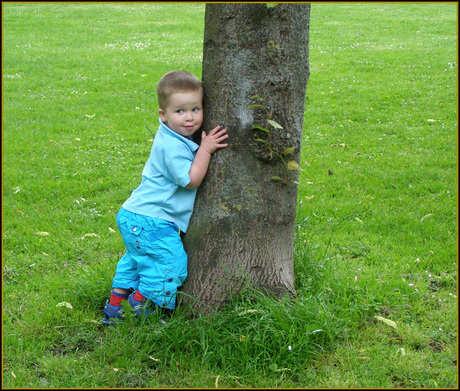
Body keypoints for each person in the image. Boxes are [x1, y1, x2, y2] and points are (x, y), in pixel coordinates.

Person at [103, 70, 228, 325]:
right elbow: (192, 180)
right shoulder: (171, 146)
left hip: (137, 215)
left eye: (195, 108)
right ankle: (140, 307)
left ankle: (116, 307)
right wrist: (205, 149)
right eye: (179, 111)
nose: (190, 118)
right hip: (152, 220)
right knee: (171, 263)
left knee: (138, 261)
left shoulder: (172, 136)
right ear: (163, 114)